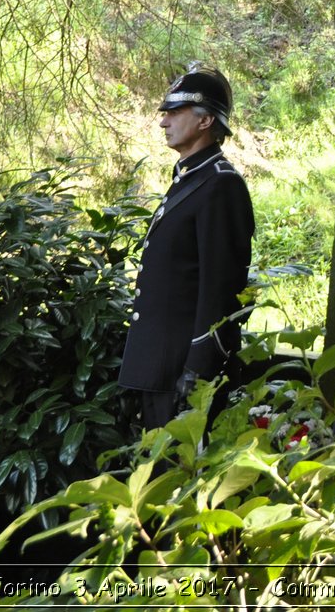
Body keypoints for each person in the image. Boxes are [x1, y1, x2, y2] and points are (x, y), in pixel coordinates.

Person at [119, 64, 254, 428]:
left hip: (182, 374)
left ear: (206, 120)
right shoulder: (189, 178)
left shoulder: (221, 186)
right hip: (158, 371)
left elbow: (221, 291)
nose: (164, 122)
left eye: (174, 113)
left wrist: (198, 372)